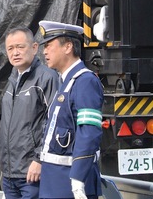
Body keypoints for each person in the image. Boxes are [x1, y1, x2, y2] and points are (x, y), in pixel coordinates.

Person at [38, 21, 103, 199]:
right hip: (56, 182)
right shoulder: (67, 81)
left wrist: (78, 178)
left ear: (68, 47)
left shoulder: (85, 81)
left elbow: (88, 132)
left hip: (69, 184)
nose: (44, 51)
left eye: (49, 45)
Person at [0, 27, 59, 199]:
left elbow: (55, 122)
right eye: (10, 48)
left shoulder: (46, 78)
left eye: (20, 47)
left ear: (34, 48)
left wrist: (40, 160)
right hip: (10, 174)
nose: (15, 53)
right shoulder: (12, 80)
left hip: (32, 173)